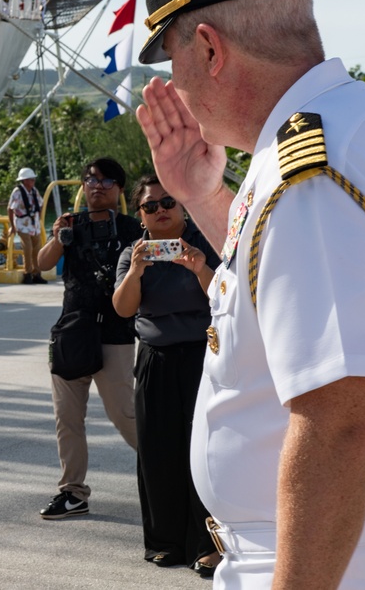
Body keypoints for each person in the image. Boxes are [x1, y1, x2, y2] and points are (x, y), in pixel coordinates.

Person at [132, 0, 365, 588]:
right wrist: (205, 199)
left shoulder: (306, 179)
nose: (172, 83)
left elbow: (338, 422)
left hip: (331, 561)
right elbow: (279, 281)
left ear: (208, 47)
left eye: (171, 58)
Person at [112, 174, 221, 577]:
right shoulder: (133, 253)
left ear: (182, 206)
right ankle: (165, 541)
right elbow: (123, 309)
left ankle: (209, 544)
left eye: (168, 202)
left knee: (204, 452)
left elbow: (226, 299)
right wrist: (136, 270)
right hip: (155, 358)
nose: (160, 211)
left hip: (201, 356)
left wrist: (199, 268)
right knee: (158, 451)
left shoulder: (208, 242)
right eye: (150, 206)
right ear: (139, 214)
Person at [34, 157, 140, 519]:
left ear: (119, 189)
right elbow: (43, 263)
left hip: (116, 334)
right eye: (90, 180)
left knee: (124, 413)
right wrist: (58, 239)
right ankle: (72, 492)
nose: (97, 186)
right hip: (72, 333)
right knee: (68, 418)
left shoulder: (132, 227)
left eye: (107, 181)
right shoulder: (70, 225)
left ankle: (165, 469)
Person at [7, 167, 45, 284]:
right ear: (25, 181)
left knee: (37, 249)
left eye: (33, 179)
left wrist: (40, 218)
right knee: (27, 248)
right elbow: (10, 208)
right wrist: (12, 226)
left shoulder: (34, 191)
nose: (33, 181)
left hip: (34, 225)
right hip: (22, 225)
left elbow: (41, 204)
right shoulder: (18, 192)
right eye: (31, 179)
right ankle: (27, 273)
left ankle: (37, 273)